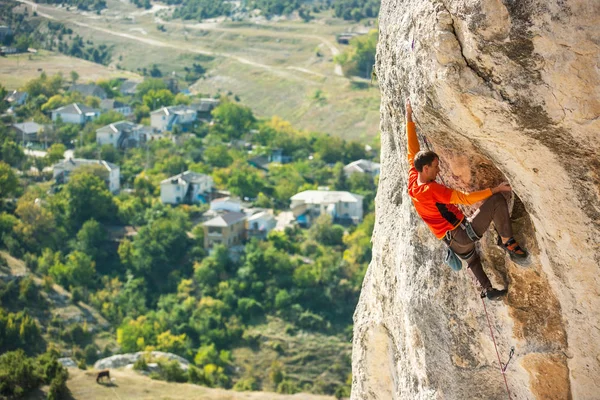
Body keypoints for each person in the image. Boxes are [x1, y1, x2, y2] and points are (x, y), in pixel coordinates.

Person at [404, 99, 527, 300]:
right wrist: (496, 188)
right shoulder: (431, 189)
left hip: (452, 243)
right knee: (497, 201)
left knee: (473, 261)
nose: (439, 169)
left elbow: (412, 149)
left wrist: (409, 117)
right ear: (425, 169)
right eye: (435, 166)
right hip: (461, 235)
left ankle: (488, 290)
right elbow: (466, 199)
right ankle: (507, 241)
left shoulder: (413, 178)